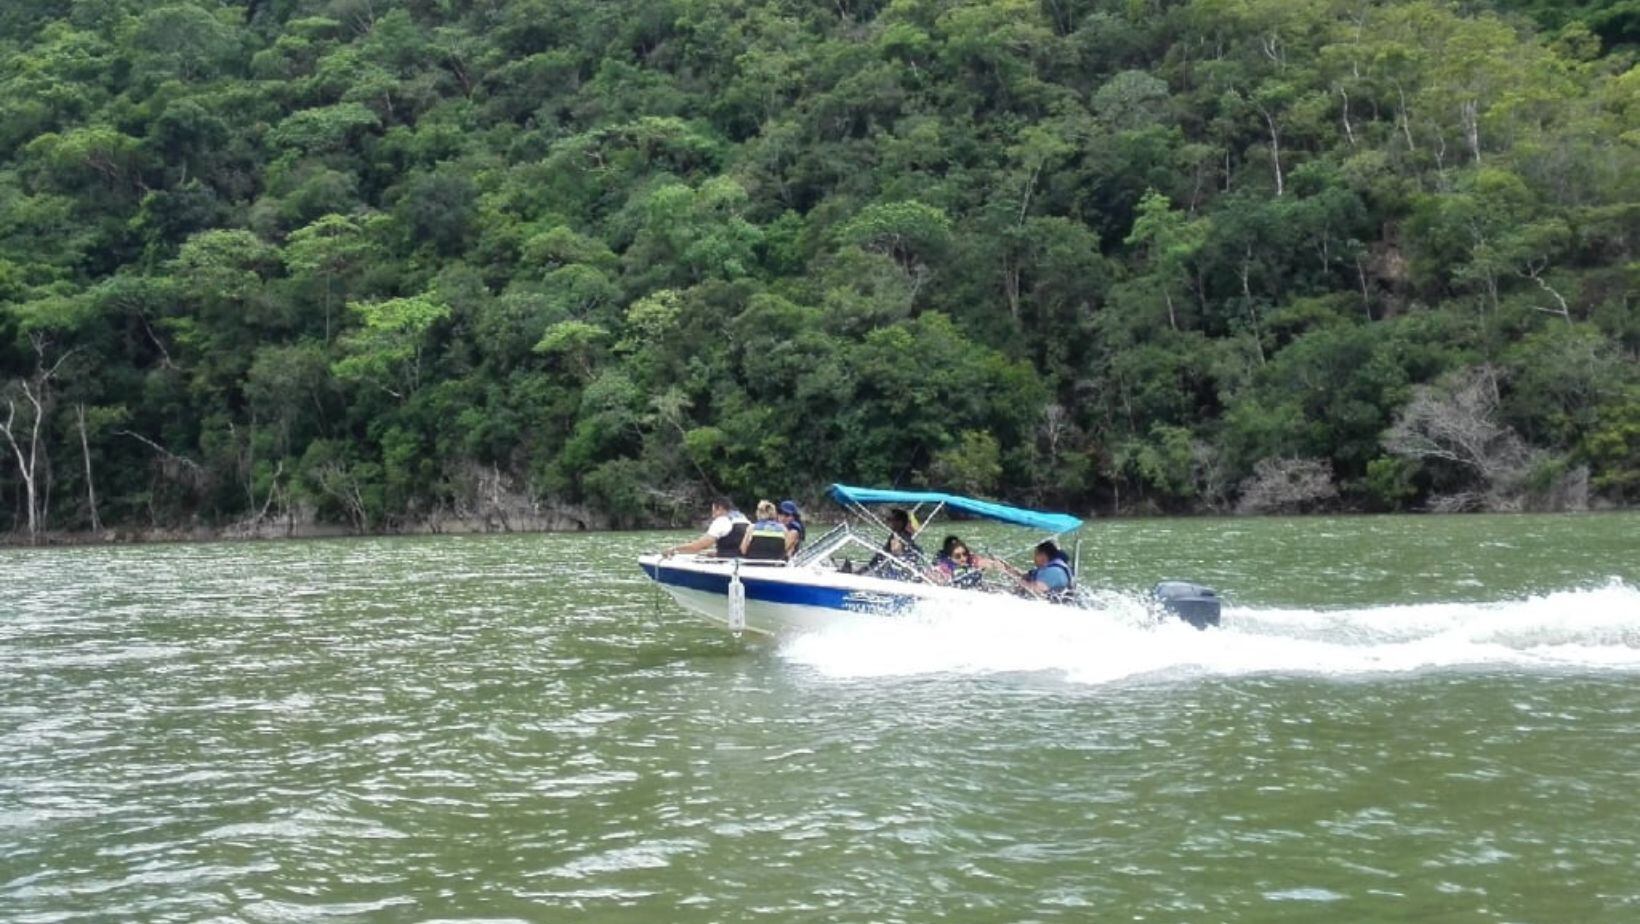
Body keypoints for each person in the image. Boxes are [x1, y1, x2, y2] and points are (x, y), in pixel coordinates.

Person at [662, 497, 749, 559]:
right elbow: (736, 546)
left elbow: (697, 546)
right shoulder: (744, 519)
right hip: (743, 559)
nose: (713, 515)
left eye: (714, 511)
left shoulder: (722, 521)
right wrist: (716, 553)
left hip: (729, 564)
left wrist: (674, 549)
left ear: (721, 509)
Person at [864, 508, 923, 578]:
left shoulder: (898, 537)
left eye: (890, 519)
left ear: (900, 522)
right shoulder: (899, 535)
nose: (888, 522)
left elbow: (897, 554)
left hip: (899, 573)